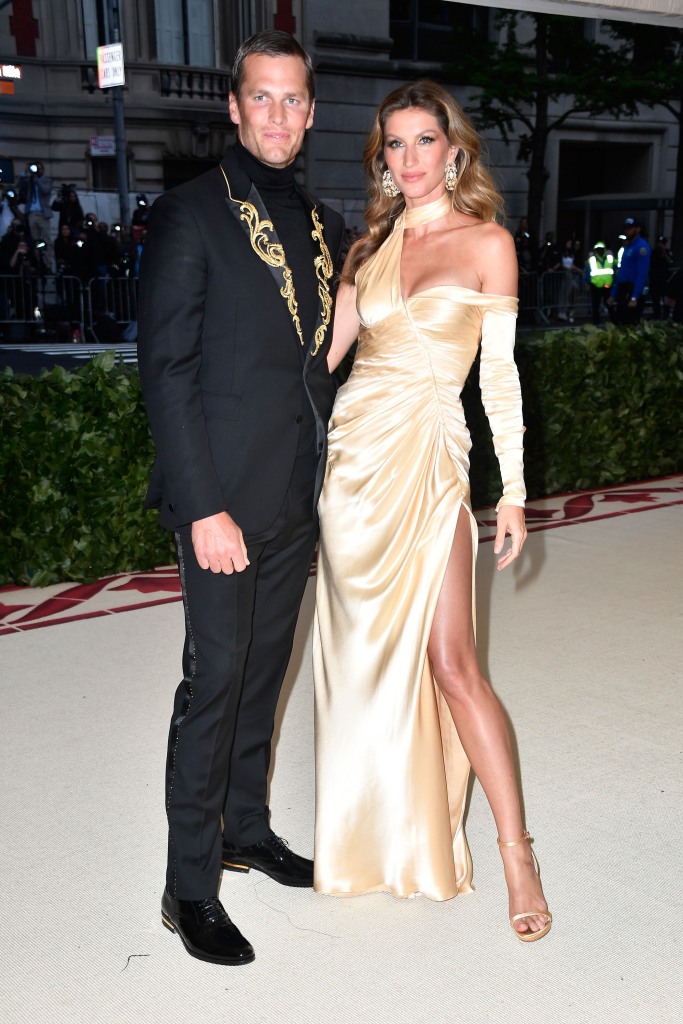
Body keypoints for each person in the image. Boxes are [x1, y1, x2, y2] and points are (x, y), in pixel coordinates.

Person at [313, 80, 552, 943]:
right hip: (353, 469)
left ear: (454, 150)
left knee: (453, 663)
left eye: (425, 141)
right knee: (364, 659)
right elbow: (325, 359)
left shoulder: (488, 244)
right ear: (381, 159)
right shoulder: (363, 250)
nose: (410, 159)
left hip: (431, 459)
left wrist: (513, 490)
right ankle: (375, 836)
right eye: (394, 145)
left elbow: (498, 378)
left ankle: (515, 850)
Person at [137, 29, 344, 967]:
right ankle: (189, 886)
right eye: (259, 97)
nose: (276, 115)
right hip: (221, 501)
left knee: (265, 676)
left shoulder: (322, 225)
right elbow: (167, 374)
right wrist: (200, 506)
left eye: (291, 99)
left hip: (295, 496)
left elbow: (321, 366)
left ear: (309, 111)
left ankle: (245, 829)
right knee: (213, 683)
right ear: (233, 105)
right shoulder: (190, 215)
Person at [608, 216, 651, 325]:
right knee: (619, 321)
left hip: (632, 288)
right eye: (626, 228)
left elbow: (642, 273)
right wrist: (613, 294)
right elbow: (622, 271)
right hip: (623, 287)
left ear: (637, 229)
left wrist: (634, 297)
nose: (627, 231)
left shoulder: (642, 247)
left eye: (630, 228)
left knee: (630, 323)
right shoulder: (628, 247)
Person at [17, 160, 54, 269]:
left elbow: (45, 190)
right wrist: (25, 172)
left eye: (38, 168)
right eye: (35, 168)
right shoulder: (29, 181)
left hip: (43, 214)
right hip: (31, 214)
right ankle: (38, 263)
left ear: (42, 170)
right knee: (35, 241)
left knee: (46, 240)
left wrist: (36, 179)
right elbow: (18, 185)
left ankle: (48, 265)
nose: (36, 170)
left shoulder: (46, 180)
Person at [584, 241, 614, 325]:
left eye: (601, 249)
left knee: (609, 303)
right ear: (595, 250)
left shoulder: (609, 258)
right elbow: (587, 271)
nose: (600, 251)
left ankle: (614, 320)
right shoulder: (592, 259)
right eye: (598, 249)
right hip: (596, 285)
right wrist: (590, 281)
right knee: (595, 304)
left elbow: (613, 269)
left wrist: (613, 281)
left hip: (607, 285)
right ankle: (596, 321)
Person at [648, 235, 674, 320]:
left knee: (666, 298)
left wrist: (664, 251)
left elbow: (670, 261)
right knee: (655, 299)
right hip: (655, 279)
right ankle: (657, 315)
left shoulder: (668, 252)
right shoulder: (654, 252)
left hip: (664, 280)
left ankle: (665, 315)